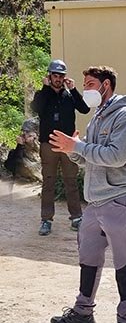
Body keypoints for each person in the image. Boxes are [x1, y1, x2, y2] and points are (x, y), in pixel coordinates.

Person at [48, 66, 126, 323]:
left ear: (106, 85)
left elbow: (116, 156)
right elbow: (88, 156)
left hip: (122, 199)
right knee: (88, 258)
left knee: (124, 262)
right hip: (96, 202)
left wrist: (78, 147)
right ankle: (83, 312)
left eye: (90, 84)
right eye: (85, 84)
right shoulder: (97, 117)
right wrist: (70, 149)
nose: (86, 89)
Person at [30, 59, 90, 236]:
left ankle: (76, 218)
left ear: (65, 77)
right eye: (55, 75)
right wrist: (46, 88)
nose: (58, 78)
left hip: (68, 145)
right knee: (48, 181)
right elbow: (36, 108)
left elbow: (85, 109)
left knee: (71, 181)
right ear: (49, 76)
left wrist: (73, 90)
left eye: (61, 76)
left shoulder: (69, 94)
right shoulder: (44, 94)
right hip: (48, 144)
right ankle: (46, 220)